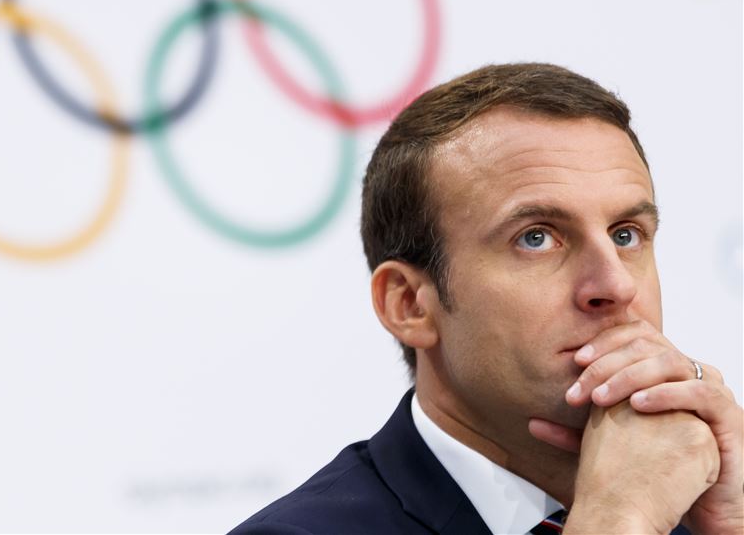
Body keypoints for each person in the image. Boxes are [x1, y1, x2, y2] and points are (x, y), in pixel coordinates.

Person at [230, 63, 743, 535]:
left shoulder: (699, 510)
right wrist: (616, 520)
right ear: (409, 305)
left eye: (626, 234)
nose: (615, 286)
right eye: (536, 238)